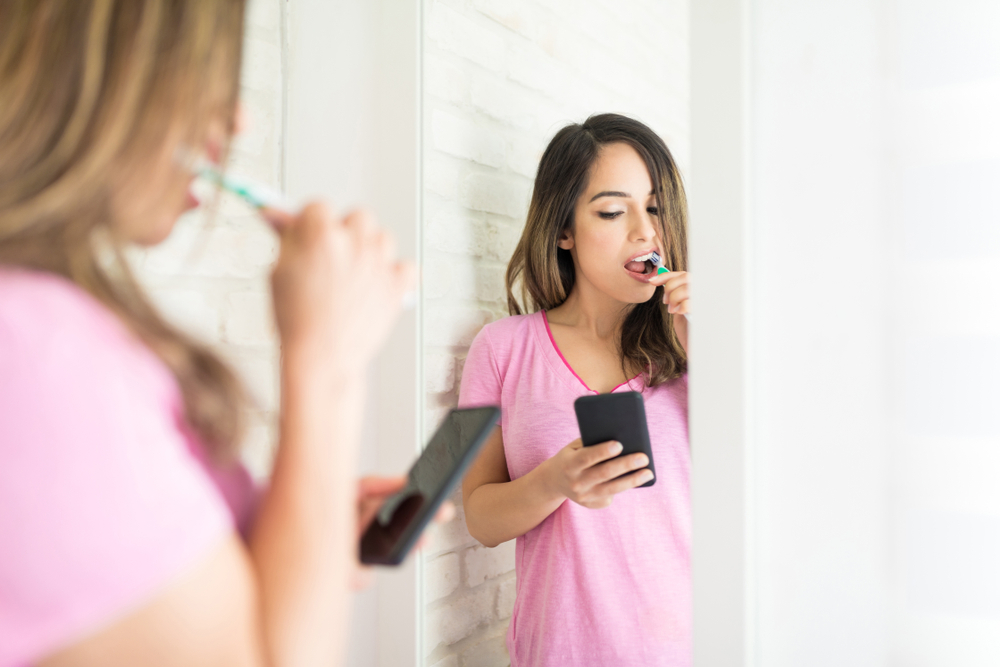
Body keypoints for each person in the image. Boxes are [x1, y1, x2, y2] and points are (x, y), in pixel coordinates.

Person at [0, 2, 428, 666]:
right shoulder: (29, 356)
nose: (236, 119)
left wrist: (297, 522)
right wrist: (328, 362)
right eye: (204, 71)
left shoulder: (53, 329)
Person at [459, 114, 692, 666]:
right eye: (613, 210)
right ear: (564, 229)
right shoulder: (499, 349)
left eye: (655, 208)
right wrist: (553, 482)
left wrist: (710, 352)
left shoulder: (703, 349)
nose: (645, 231)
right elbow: (480, 518)